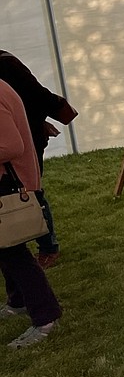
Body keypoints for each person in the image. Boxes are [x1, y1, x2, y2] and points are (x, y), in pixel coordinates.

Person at [0, 50, 77, 269]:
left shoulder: (6, 63)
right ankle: (15, 242)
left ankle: (48, 247)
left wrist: (50, 114)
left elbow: (35, 95)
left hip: (23, 138)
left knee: (31, 191)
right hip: (12, 136)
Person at [0, 78, 61, 348]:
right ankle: (18, 300)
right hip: (11, 182)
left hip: (9, 185)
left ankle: (46, 316)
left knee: (13, 252)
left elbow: (12, 145)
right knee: (5, 247)